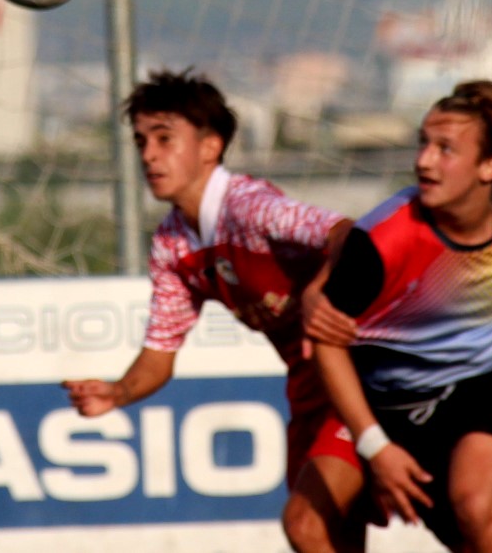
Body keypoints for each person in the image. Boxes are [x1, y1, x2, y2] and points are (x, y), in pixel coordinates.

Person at [62, 68, 367, 552]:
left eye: (164, 138)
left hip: (365, 370)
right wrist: (118, 392)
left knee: (307, 524)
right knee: (335, 535)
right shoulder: (172, 244)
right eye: (141, 141)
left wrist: (317, 289)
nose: (148, 154)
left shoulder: (249, 207)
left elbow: (348, 233)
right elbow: (159, 355)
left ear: (210, 146)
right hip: (310, 387)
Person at [304, 79, 492, 552]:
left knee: (476, 509)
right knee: (307, 525)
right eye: (423, 143)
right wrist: (375, 446)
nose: (424, 161)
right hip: (385, 401)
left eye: (445, 149)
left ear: (490, 167)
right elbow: (327, 342)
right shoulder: (383, 241)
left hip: (486, 384)